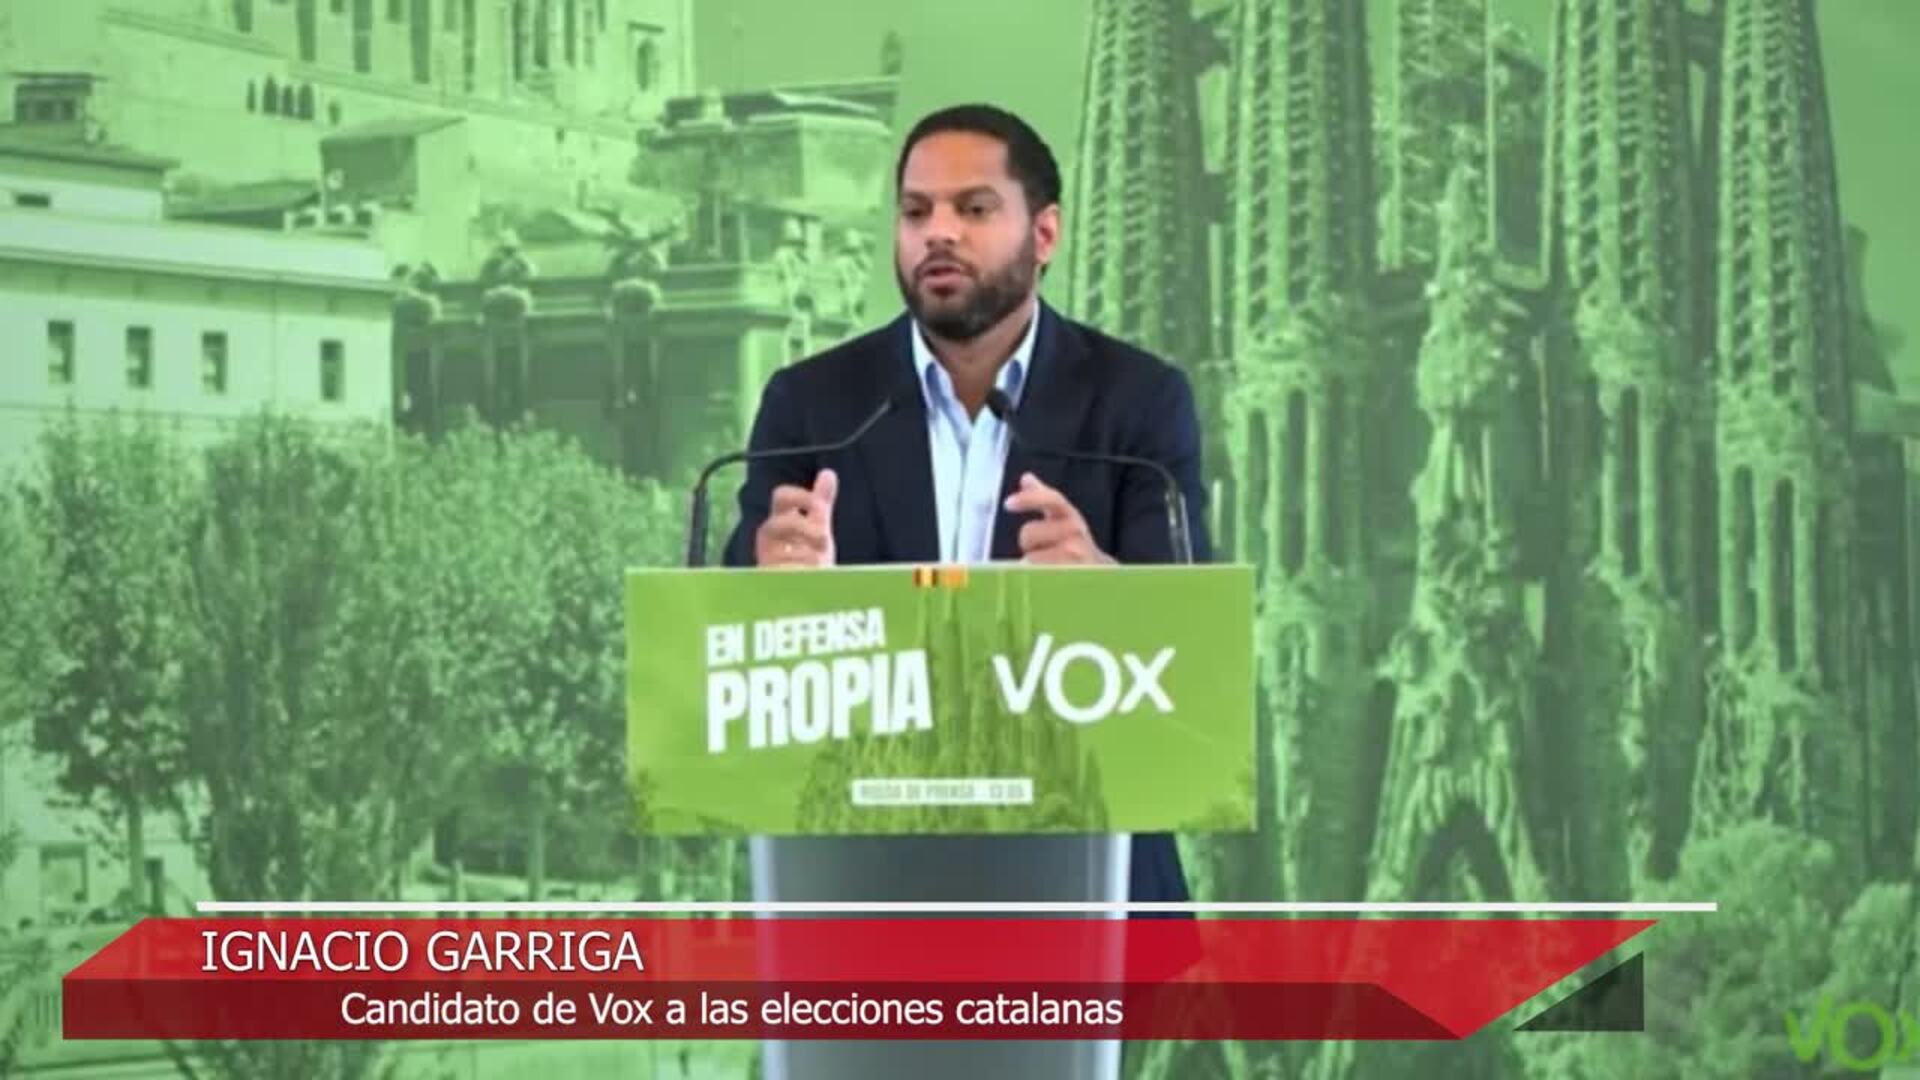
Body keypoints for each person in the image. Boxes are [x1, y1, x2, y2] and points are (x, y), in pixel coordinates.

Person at [721, 102, 1210, 910]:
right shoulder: (814, 402)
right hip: (862, 892)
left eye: (974, 209)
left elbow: (1191, 649)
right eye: (916, 212)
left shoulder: (1138, 401)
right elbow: (731, 639)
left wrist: (1108, 588)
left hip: (1088, 887)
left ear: (1044, 234)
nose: (938, 233)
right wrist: (770, 585)